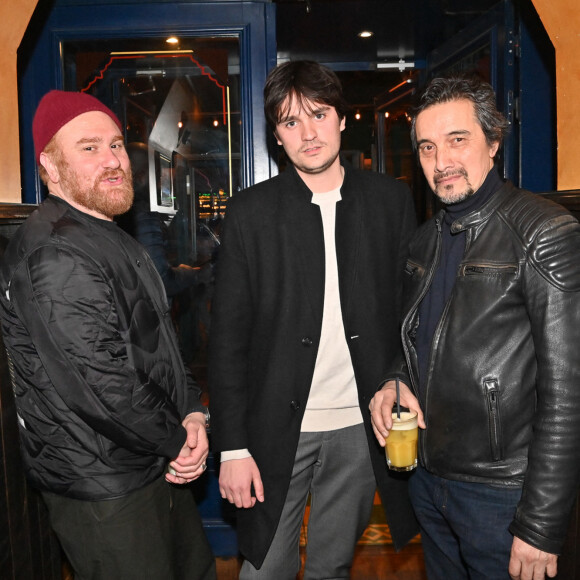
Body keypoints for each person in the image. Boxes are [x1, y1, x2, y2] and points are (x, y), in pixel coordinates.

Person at [208, 60, 418, 578]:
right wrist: (232, 446)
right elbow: (227, 341)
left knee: (332, 568)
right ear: (276, 135)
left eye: (319, 115)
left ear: (342, 120)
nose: (308, 133)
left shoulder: (390, 201)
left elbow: (409, 316)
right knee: (263, 568)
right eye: (290, 121)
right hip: (273, 428)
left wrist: (397, 382)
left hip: (357, 424)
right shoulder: (249, 213)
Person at [369, 74, 580, 580]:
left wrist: (541, 524)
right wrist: (393, 381)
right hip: (429, 480)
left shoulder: (544, 232)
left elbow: (568, 393)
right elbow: (419, 342)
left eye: (457, 140)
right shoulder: (425, 240)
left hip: (504, 494)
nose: (441, 162)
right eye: (426, 147)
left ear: (493, 142)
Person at [0, 90, 216, 580]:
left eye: (117, 145)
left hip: (150, 459)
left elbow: (162, 342)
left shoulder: (112, 235)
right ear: (50, 167)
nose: (113, 160)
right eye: (89, 147)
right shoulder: (53, 254)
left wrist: (193, 412)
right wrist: (180, 439)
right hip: (105, 486)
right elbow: (102, 387)